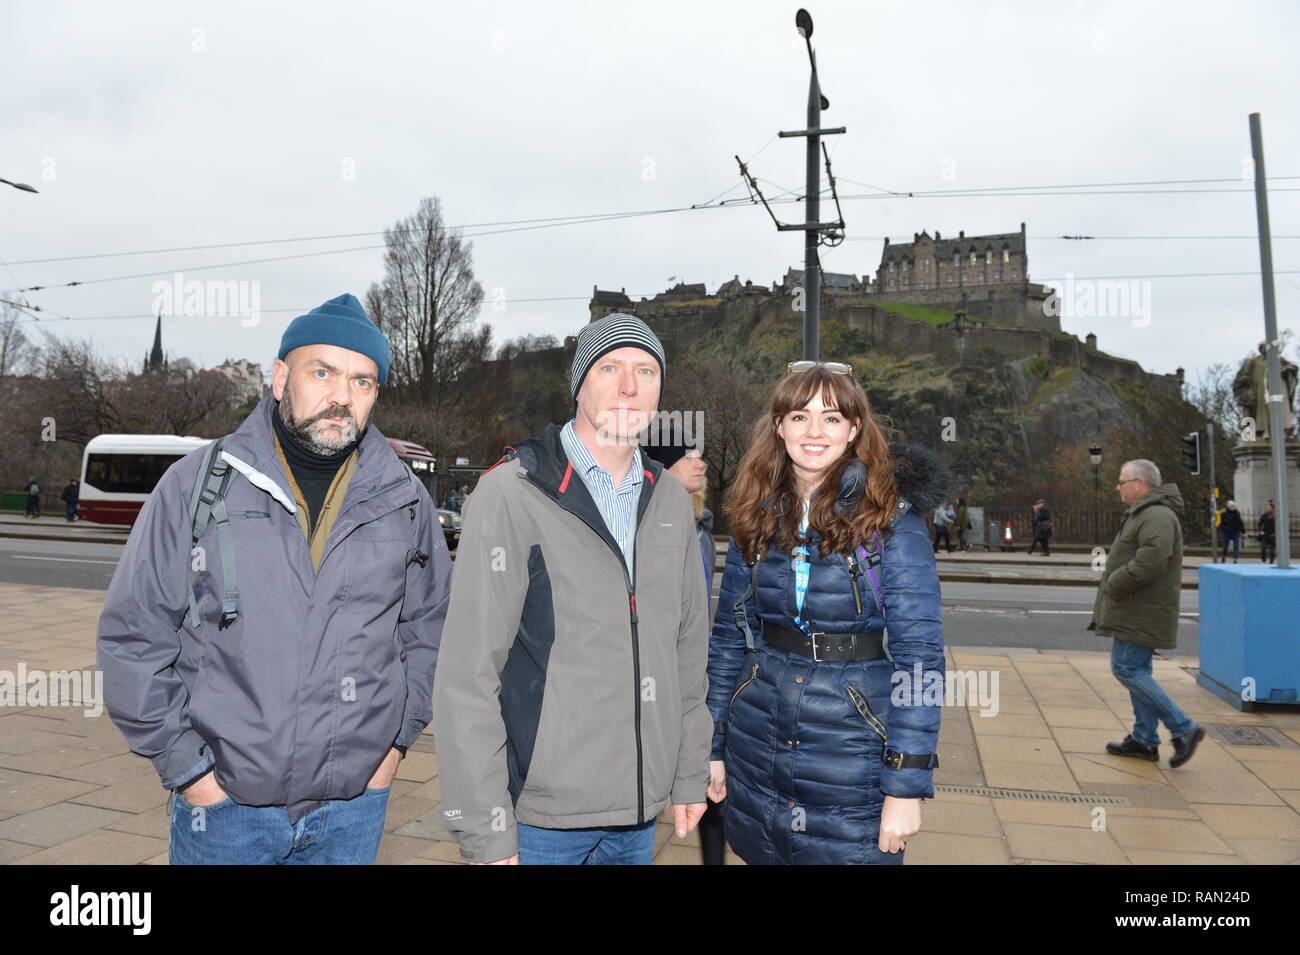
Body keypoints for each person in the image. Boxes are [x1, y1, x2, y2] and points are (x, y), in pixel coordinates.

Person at [98, 293, 452, 865]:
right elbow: (134, 636)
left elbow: (431, 628)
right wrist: (189, 772)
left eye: (362, 382)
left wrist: (395, 744)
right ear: (281, 377)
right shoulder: (196, 484)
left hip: (353, 809)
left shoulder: (404, 499)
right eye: (323, 373)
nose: (342, 397)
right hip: (225, 811)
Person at [432, 313, 711, 865]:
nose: (630, 386)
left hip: (637, 816)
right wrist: (485, 829)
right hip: (539, 821)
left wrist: (688, 775)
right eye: (610, 367)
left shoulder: (671, 502)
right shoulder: (511, 493)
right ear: (580, 384)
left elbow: (687, 654)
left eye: (646, 371)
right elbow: (467, 676)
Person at [708, 362, 947, 865]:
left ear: (854, 429)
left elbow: (920, 661)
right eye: (800, 416)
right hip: (758, 746)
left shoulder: (892, 524)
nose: (814, 432)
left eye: (832, 418)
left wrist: (905, 787)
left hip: (852, 759)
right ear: (779, 425)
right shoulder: (754, 513)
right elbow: (730, 639)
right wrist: (711, 746)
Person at [644, 430, 726, 865]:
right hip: (659, 669)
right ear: (661, 466)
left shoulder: (701, 527)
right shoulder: (646, 523)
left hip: (698, 665)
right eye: (688, 455)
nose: (700, 462)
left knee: (709, 773)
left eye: (701, 454)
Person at [1089, 458, 1204, 767]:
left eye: (1122, 481)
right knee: (1138, 670)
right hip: (1137, 607)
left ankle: (1183, 728)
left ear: (1140, 484)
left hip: (1140, 608)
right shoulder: (1147, 513)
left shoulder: (1156, 515)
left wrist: (1114, 582)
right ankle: (1144, 739)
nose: (1118, 487)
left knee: (1127, 670)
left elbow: (1151, 561)